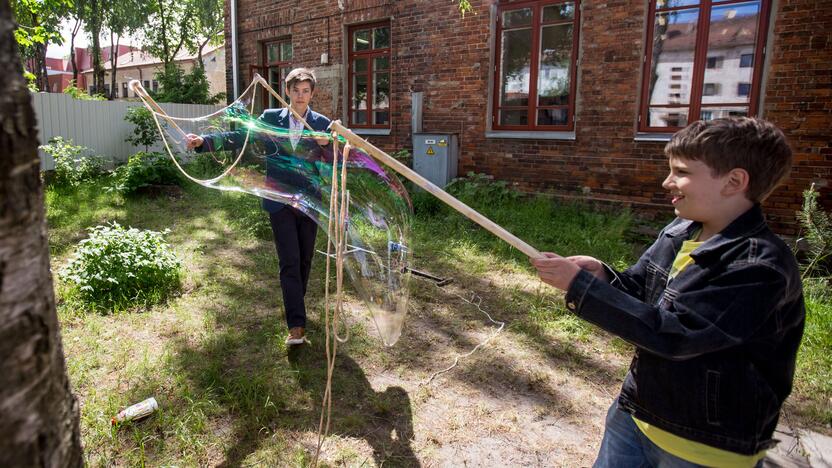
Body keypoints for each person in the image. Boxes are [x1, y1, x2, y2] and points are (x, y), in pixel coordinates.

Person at [531, 118, 805, 467]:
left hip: (705, 445)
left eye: (682, 172)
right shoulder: (681, 231)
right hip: (637, 414)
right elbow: (642, 290)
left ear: (734, 181)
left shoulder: (758, 267)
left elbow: (675, 335)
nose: (667, 182)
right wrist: (602, 276)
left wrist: (579, 287)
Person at [185, 68, 331, 346]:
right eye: (296, 91)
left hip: (309, 202)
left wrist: (326, 145)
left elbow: (334, 158)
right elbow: (241, 138)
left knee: (304, 261)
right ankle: (296, 325)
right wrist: (205, 142)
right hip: (279, 201)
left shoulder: (321, 124)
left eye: (306, 91)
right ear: (287, 91)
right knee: (289, 261)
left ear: (312, 94)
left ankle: (295, 304)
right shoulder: (270, 119)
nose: (300, 96)